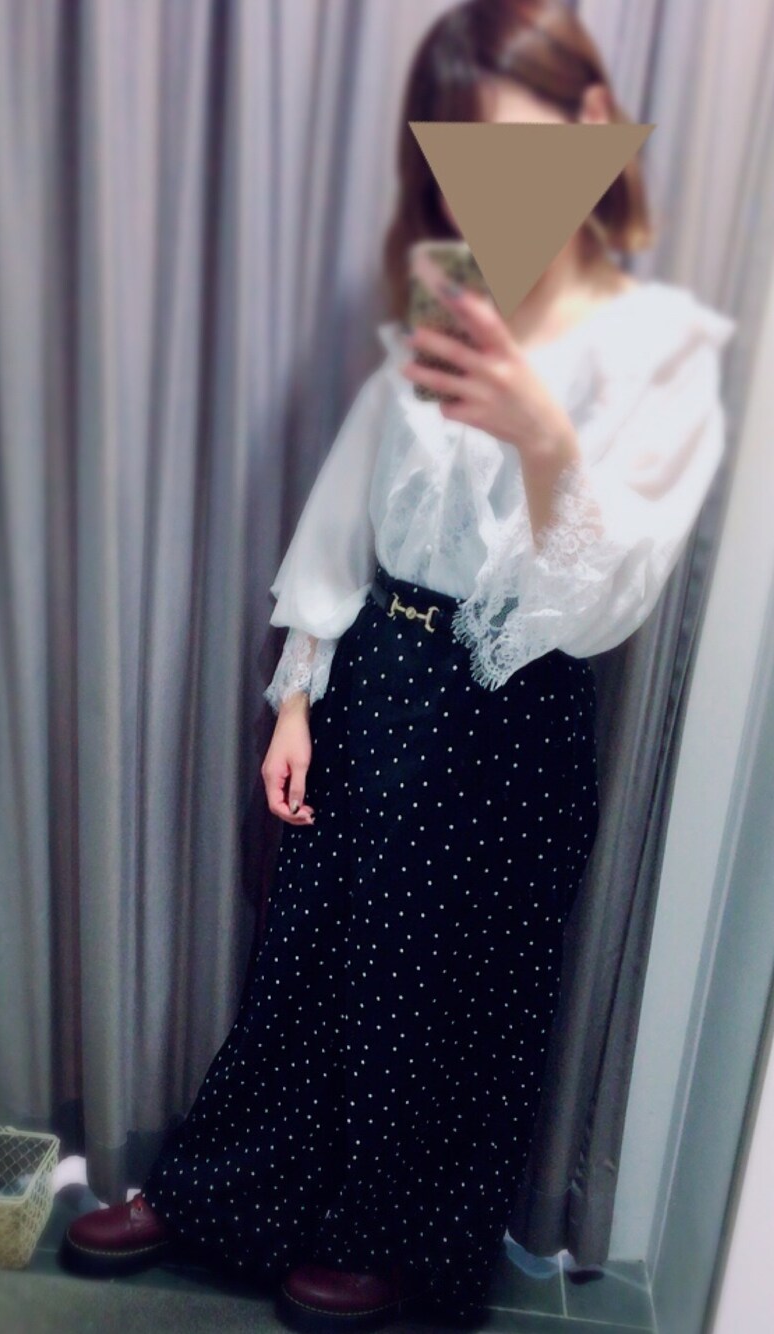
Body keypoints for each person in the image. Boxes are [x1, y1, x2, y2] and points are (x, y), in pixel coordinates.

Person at [58, 1, 735, 1329]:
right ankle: (225, 1196)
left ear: (594, 127)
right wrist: (299, 690)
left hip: (514, 711)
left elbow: (610, 598)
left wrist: (544, 435)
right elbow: (351, 500)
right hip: (384, 676)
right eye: (460, 160)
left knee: (446, 994)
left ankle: (388, 1239)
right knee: (310, 956)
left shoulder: (659, 351)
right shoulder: (453, 296)